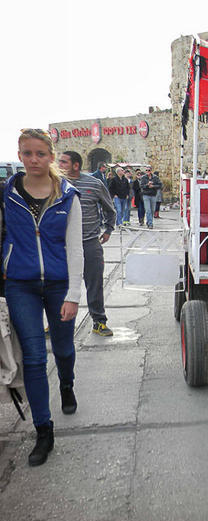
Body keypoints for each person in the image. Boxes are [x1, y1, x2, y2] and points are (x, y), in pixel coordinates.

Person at [1, 129, 83, 466]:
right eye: (27, 153)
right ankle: (43, 430)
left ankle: (66, 382)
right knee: (34, 357)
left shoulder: (68, 196)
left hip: (59, 283)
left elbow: (75, 248)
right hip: (20, 283)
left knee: (62, 348)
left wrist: (74, 294)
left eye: (40, 154)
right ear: (19, 156)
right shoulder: (6, 194)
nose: (34, 160)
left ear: (51, 156)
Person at [57, 151, 116, 338]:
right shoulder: (55, 184)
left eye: (64, 162)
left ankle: (99, 321)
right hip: (61, 245)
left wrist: (108, 230)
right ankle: (57, 321)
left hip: (89, 243)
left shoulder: (95, 184)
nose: (60, 165)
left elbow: (110, 209)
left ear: (76, 165)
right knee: (59, 284)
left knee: (95, 283)